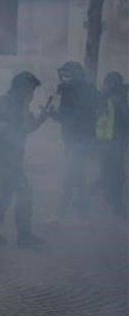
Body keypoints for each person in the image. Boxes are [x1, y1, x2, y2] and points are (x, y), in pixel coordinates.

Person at [0, 72, 49, 246]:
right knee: (24, 192)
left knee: (4, 194)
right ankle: (24, 236)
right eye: (31, 89)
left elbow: (27, 129)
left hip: (13, 155)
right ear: (21, 88)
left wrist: (42, 118)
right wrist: (0, 123)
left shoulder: (23, 105)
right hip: (5, 154)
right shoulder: (7, 101)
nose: (32, 94)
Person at [51, 61, 98, 220]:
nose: (64, 77)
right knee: (78, 176)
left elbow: (75, 116)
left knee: (72, 176)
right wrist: (54, 115)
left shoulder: (77, 90)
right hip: (76, 139)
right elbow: (67, 117)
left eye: (68, 74)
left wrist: (56, 116)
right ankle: (84, 212)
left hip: (80, 139)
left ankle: (60, 213)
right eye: (63, 74)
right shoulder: (74, 88)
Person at [95, 72, 127, 219]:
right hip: (106, 142)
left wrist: (121, 103)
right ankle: (112, 202)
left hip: (116, 142)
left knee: (116, 175)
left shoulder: (122, 98)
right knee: (109, 174)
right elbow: (96, 117)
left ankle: (116, 205)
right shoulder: (103, 97)